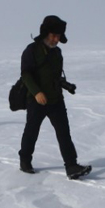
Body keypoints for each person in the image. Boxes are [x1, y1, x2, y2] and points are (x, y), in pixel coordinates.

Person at [18, 15, 92, 180]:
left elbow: (55, 76)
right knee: (32, 131)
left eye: (58, 36)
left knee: (64, 132)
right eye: (53, 35)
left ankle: (71, 166)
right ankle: (25, 160)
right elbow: (26, 74)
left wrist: (65, 85)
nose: (56, 39)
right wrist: (37, 92)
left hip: (55, 99)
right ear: (45, 33)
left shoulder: (57, 52)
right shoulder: (31, 50)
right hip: (36, 100)